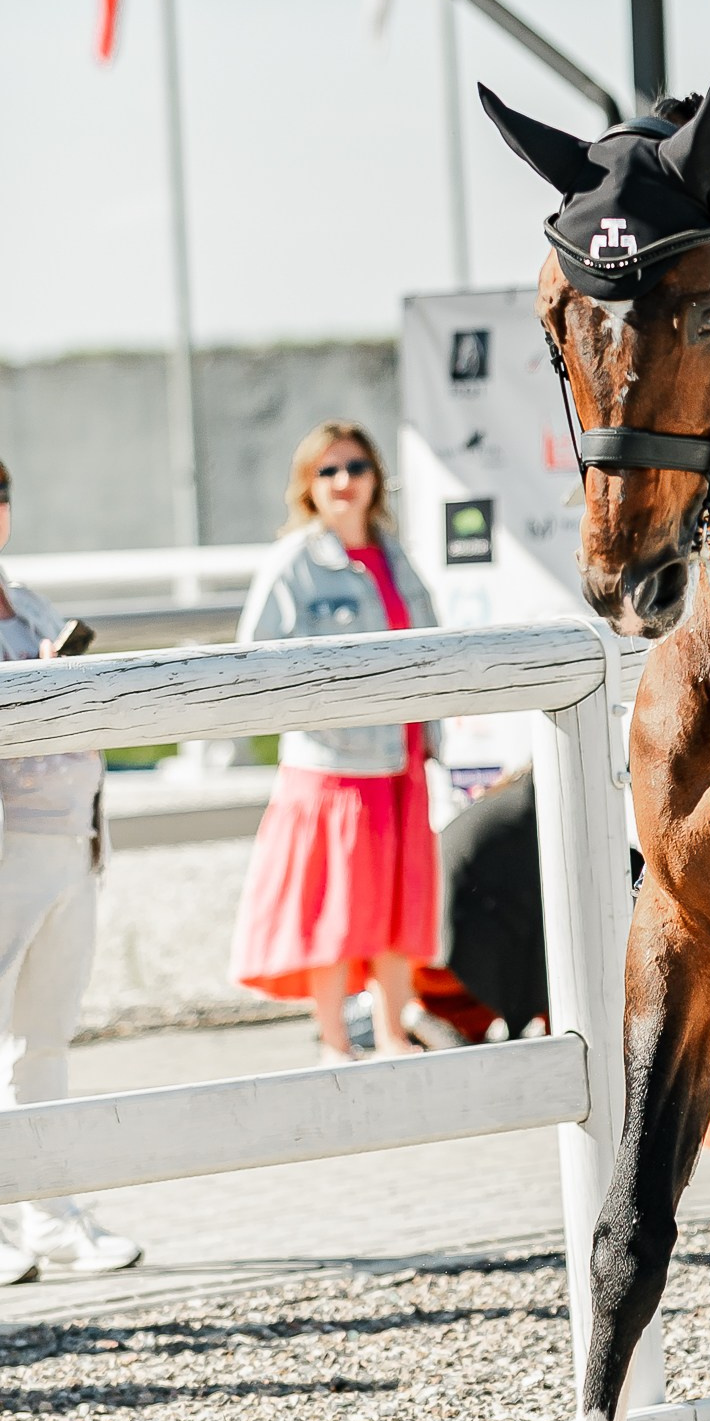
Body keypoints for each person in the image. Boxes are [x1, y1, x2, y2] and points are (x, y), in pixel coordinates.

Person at [229, 423, 441, 1062]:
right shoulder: (293, 561)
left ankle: (393, 1034)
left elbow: (435, 650)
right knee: (335, 908)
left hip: (401, 762)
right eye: (328, 471)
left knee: (400, 908)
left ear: (376, 477)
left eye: (354, 466)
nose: (343, 481)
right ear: (307, 486)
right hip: (332, 770)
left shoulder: (396, 554)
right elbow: (250, 661)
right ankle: (333, 1040)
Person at [0, 465, 139, 1284]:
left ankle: (48, 1216)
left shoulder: (32, 600)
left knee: (42, 1043)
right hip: (8, 845)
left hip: (69, 840)